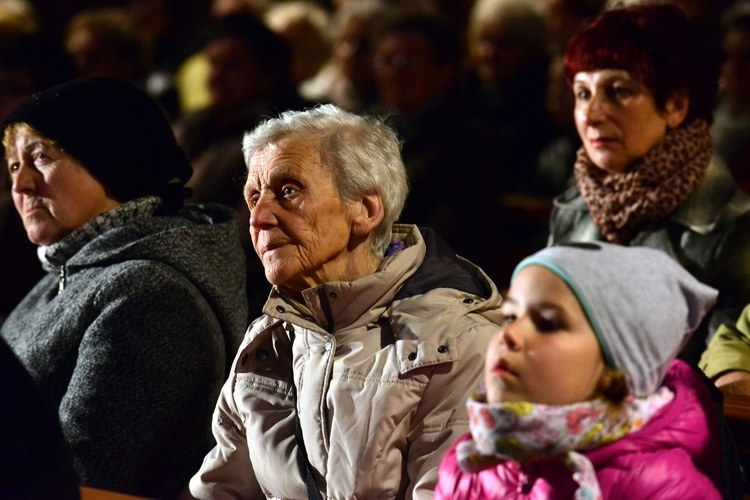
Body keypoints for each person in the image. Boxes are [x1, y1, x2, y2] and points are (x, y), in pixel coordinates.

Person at [187, 104, 504, 498]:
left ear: (366, 210)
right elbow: (219, 492)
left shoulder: (459, 345)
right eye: (253, 197)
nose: (259, 217)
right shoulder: (268, 342)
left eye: (289, 192)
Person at [0, 78, 248, 498]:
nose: (21, 186)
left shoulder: (148, 295)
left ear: (109, 157)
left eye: (40, 157)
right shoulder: (66, 273)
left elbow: (80, 476)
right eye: (12, 166)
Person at [547, 3, 750, 392]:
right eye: (583, 93)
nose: (592, 113)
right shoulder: (577, 206)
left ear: (675, 105)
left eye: (619, 91)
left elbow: (725, 383)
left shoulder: (732, 227)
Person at [435, 242, 725, 499]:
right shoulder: (470, 461)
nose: (508, 334)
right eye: (511, 316)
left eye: (548, 323)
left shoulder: (661, 488)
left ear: (617, 369)